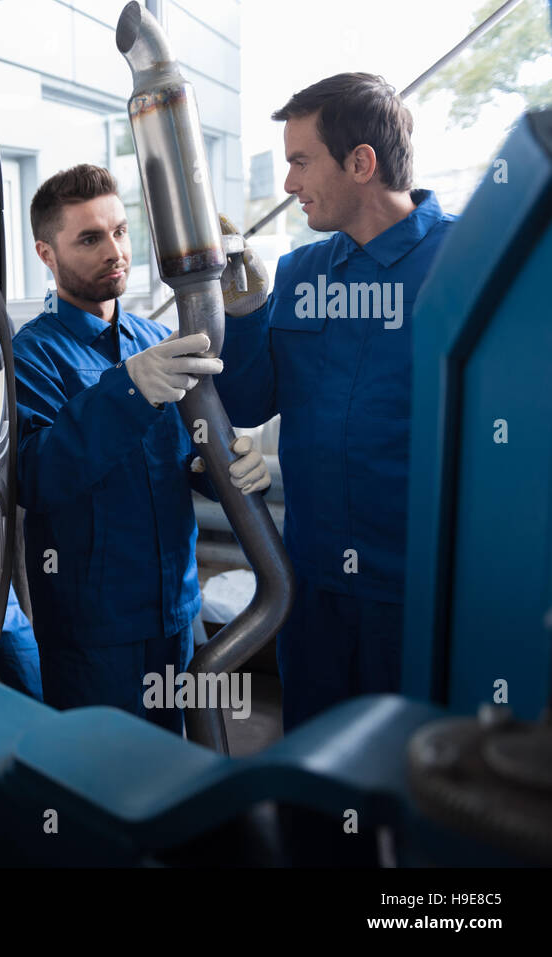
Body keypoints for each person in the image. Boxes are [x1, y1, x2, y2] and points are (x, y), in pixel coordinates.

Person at [214, 73, 457, 732]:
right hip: (313, 590)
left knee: (419, 789)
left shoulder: (468, 264)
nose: (289, 183)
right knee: (315, 782)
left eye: (300, 161)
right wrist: (242, 310)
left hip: (423, 597)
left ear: (361, 163)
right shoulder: (299, 274)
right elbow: (246, 400)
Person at [13, 164, 271, 733]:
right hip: (92, 631)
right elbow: (36, 476)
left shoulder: (158, 343)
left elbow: (184, 462)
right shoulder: (31, 355)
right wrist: (127, 392)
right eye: (89, 238)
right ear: (46, 253)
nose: (115, 251)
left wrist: (228, 465)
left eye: (121, 231)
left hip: (178, 609)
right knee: (103, 785)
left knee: (180, 766)